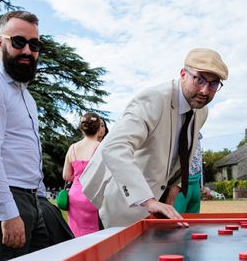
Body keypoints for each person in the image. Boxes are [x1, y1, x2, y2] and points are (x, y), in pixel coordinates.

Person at [81, 48, 228, 227]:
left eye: (213, 84)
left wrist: (171, 192)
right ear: (183, 74)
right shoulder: (154, 99)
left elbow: (180, 154)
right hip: (122, 205)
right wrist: (148, 201)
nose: (205, 91)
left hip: (157, 208)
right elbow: (114, 147)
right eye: (199, 79)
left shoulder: (201, 112)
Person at [0, 10, 51, 261]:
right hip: (7, 200)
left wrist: (40, 196)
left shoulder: (25, 95)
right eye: (18, 42)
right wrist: (8, 213)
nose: (27, 51)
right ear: (0, 43)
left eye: (34, 45)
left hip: (33, 200)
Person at [63, 113, 105, 236]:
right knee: (95, 236)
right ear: (98, 129)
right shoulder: (101, 147)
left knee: (75, 235)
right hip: (94, 196)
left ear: (82, 129)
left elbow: (66, 176)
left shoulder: (73, 148)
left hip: (75, 197)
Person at [174, 132, 204, 213]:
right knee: (175, 220)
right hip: (180, 183)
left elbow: (199, 160)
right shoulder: (175, 129)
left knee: (193, 222)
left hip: (195, 183)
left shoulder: (197, 133)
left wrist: (200, 184)